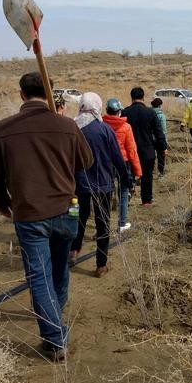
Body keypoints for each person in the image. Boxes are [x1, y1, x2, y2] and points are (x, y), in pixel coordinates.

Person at [0, 72, 93, 361]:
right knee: (59, 267)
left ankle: (55, 336)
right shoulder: (67, 126)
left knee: (40, 276)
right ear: (48, 92)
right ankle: (54, 323)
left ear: (21, 94)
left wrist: (2, 204)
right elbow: (86, 161)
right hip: (68, 208)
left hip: (29, 212)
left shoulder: (2, 129)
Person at [70, 92, 129, 277]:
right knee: (102, 224)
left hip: (77, 187)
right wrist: (126, 179)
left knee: (77, 218)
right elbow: (118, 158)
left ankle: (73, 251)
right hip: (103, 185)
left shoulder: (72, 129)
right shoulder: (104, 130)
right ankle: (101, 265)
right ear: (97, 106)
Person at [122, 87, 167, 206]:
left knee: (129, 174)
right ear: (143, 97)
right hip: (147, 150)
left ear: (131, 98)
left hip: (130, 151)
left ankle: (128, 194)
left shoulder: (125, 112)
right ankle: (146, 200)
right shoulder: (150, 112)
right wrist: (162, 147)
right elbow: (159, 132)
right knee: (147, 176)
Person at [103, 98, 142, 231]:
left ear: (107, 111)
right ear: (119, 111)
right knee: (124, 192)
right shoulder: (126, 127)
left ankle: (103, 225)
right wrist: (138, 171)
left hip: (106, 163)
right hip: (123, 163)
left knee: (105, 194)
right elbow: (132, 151)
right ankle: (122, 223)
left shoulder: (102, 125)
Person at [151, 97, 168, 178]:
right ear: (160, 106)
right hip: (160, 139)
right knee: (161, 156)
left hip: (150, 139)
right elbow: (164, 130)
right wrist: (165, 142)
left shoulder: (149, 114)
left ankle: (150, 172)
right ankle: (160, 173)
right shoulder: (162, 116)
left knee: (151, 157)